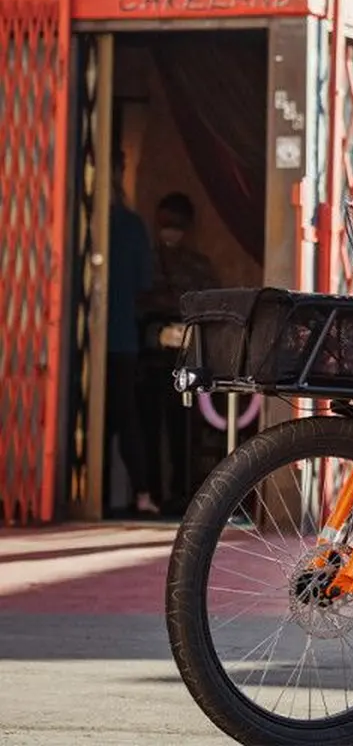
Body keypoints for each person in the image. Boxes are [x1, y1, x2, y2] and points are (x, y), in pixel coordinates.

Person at [140, 191, 220, 513]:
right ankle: (153, 492)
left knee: (183, 430)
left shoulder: (198, 266)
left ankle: (181, 495)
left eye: (176, 224)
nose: (170, 230)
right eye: (165, 223)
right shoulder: (146, 260)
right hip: (150, 356)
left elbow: (211, 305)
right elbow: (139, 302)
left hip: (186, 356)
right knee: (148, 429)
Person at [105, 149, 158, 516]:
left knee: (104, 418)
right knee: (125, 416)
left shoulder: (89, 222)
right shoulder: (130, 225)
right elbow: (144, 284)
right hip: (122, 335)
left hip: (87, 339)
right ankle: (141, 494)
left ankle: (89, 493)